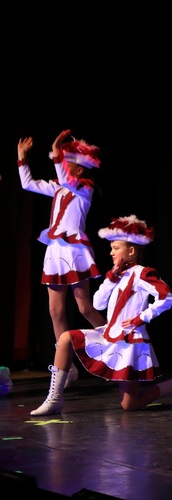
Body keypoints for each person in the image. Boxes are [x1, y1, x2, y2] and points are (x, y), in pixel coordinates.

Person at [29, 215, 172, 416]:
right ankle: (55, 398)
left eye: (116, 248)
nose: (111, 252)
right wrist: (111, 277)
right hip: (109, 333)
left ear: (131, 251)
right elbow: (97, 304)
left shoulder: (143, 273)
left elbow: (167, 297)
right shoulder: (117, 275)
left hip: (129, 341)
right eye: (111, 248)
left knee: (130, 405)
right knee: (66, 338)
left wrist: (141, 317)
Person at [17, 130, 107, 388]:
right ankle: (66, 367)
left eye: (68, 164)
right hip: (55, 250)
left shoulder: (85, 188)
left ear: (80, 170)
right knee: (55, 310)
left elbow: (66, 179)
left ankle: (118, 347)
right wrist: (22, 158)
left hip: (74, 250)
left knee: (84, 308)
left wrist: (57, 150)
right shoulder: (59, 188)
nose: (63, 167)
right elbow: (28, 184)